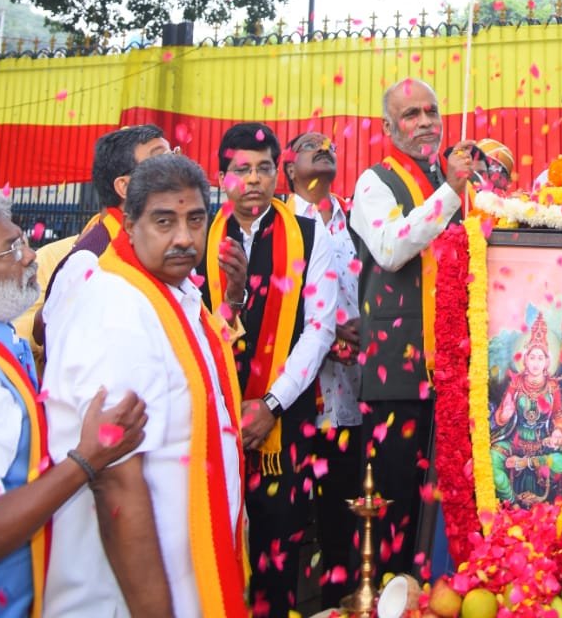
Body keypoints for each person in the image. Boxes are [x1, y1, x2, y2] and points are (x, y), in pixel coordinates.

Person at [43, 154, 247, 617]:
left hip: (187, 580)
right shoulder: (116, 307)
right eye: (164, 221)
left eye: (195, 220)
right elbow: (116, 480)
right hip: (130, 598)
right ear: (129, 226)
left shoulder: (176, 292)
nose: (183, 237)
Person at [0, 194, 146, 617]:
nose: (30, 257)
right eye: (11, 250)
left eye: (23, 241)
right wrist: (85, 460)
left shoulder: (3, 337)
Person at [205, 122, 336, 618]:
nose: (254, 180)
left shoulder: (308, 232)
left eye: (263, 169)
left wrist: (271, 404)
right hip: (215, 419)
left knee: (278, 554)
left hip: (284, 421)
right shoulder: (200, 237)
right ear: (223, 178)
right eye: (242, 170)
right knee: (216, 545)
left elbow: (319, 329)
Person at [349, 79, 474, 573]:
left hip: (455, 367)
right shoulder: (373, 182)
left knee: (449, 503)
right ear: (387, 127)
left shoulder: (455, 179)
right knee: (396, 503)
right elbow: (391, 248)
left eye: (431, 111)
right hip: (395, 376)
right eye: (410, 115)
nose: (424, 122)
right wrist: (450, 192)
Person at [282, 127, 363, 601]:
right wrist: (327, 335)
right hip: (301, 389)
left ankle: (339, 597)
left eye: (328, 144)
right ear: (290, 169)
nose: (324, 148)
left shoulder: (351, 220)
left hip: (351, 389)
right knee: (292, 509)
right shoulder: (284, 225)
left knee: (341, 499)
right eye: (311, 144)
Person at [34, 124, 176, 348]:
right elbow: (43, 329)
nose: (178, 169)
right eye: (160, 161)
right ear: (124, 187)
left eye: (174, 156)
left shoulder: (161, 246)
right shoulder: (91, 258)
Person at [489, 311, 562, 505]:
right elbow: (499, 417)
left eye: (540, 358)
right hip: (514, 443)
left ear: (547, 362)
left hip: (541, 446)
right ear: (525, 359)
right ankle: (511, 503)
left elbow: (558, 417)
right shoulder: (516, 383)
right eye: (532, 357)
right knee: (489, 461)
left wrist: (557, 433)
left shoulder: (552, 387)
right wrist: (504, 415)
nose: (536, 363)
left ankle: (531, 464)